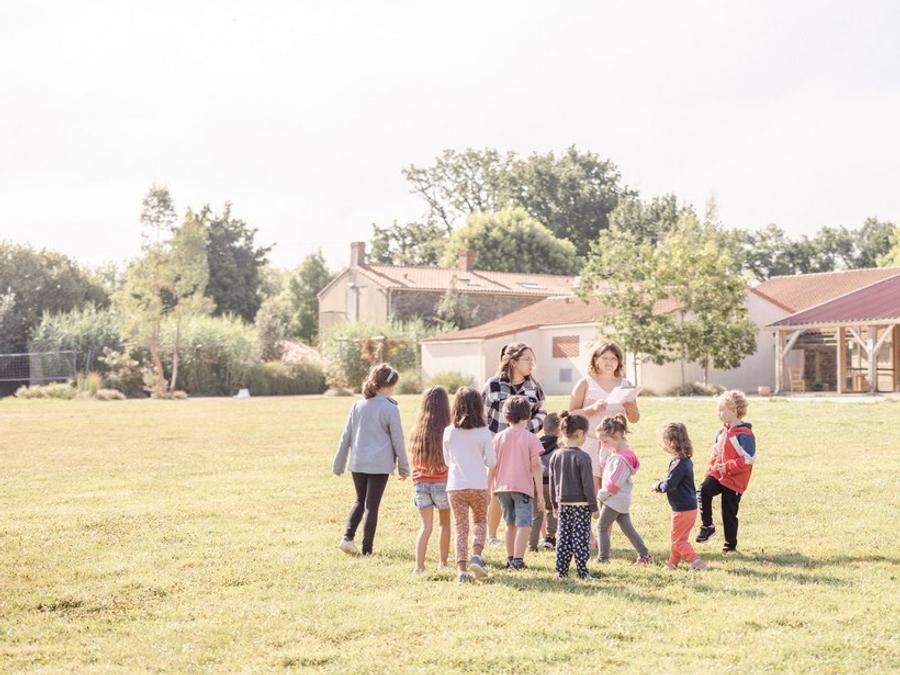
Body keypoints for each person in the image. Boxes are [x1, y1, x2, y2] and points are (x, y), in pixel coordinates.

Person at [333, 363, 410, 556]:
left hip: (358, 463)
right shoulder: (390, 408)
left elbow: (346, 437)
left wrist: (338, 464)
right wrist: (404, 467)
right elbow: (398, 440)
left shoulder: (358, 405)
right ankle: (367, 550)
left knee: (360, 500)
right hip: (379, 465)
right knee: (372, 506)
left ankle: (347, 538)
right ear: (388, 385)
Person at [482, 343, 546, 546]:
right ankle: (492, 536)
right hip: (498, 448)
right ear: (514, 361)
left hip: (523, 448)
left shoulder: (534, 387)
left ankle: (538, 536)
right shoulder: (493, 384)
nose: (531, 364)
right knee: (497, 489)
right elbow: (482, 415)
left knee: (527, 488)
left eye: (532, 360)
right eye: (527, 359)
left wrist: (525, 430)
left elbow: (542, 413)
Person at [568, 341, 640, 490]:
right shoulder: (585, 383)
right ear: (595, 359)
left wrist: (631, 408)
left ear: (619, 361)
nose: (609, 362)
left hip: (615, 445)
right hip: (589, 442)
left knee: (613, 489)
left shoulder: (625, 384)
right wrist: (592, 409)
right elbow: (571, 415)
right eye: (605, 358)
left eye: (613, 358)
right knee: (591, 489)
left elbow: (634, 418)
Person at [443, 387, 496, 584]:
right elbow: (492, 462)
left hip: (455, 485)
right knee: (480, 522)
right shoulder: (484, 432)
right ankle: (476, 556)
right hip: (478, 485)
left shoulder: (449, 432)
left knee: (461, 527)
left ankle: (461, 571)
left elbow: (447, 461)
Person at [489, 395, 545, 570]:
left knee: (510, 524)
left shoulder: (498, 437)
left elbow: (492, 466)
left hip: (501, 488)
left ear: (506, 416)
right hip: (522, 489)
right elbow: (536, 466)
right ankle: (518, 560)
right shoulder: (531, 438)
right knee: (525, 525)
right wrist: (540, 494)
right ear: (528, 416)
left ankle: (510, 558)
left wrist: (488, 488)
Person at [697, 390, 756, 553]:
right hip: (718, 475)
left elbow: (749, 459)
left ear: (734, 410)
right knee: (703, 490)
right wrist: (710, 472)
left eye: (722, 410)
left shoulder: (745, 435)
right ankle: (707, 526)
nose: (719, 413)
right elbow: (715, 454)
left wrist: (729, 466)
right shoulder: (721, 433)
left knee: (728, 512)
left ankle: (730, 546)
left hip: (734, 480)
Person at [596, 414, 652, 564]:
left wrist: (602, 494)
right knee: (628, 529)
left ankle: (603, 558)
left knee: (601, 526)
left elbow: (614, 484)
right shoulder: (619, 454)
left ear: (616, 436)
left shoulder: (621, 460)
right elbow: (604, 465)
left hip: (614, 500)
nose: (604, 445)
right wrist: (603, 449)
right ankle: (644, 555)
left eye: (605, 441)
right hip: (619, 500)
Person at [548, 412, 599, 579]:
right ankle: (582, 572)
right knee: (580, 539)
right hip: (582, 505)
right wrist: (594, 507)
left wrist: (554, 505)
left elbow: (553, 483)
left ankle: (561, 571)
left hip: (563, 504)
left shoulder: (556, 455)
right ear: (580, 433)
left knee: (563, 538)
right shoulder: (583, 457)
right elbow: (588, 485)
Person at [409, 386, 452, 574]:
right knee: (445, 524)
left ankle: (419, 566)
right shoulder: (448, 430)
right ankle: (443, 563)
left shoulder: (416, 431)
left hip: (421, 483)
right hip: (443, 482)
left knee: (425, 527)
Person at [652, 422, 707, 571]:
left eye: (663, 440)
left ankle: (696, 562)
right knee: (678, 538)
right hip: (688, 507)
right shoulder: (685, 460)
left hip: (683, 509)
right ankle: (672, 563)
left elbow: (670, 484)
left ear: (671, 442)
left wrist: (657, 486)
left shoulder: (679, 463)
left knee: (678, 541)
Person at [529, 412, 560, 552]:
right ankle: (550, 538)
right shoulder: (560, 445)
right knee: (553, 510)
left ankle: (532, 544)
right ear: (559, 429)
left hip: (536, 482)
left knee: (536, 514)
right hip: (552, 483)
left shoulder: (537, 443)